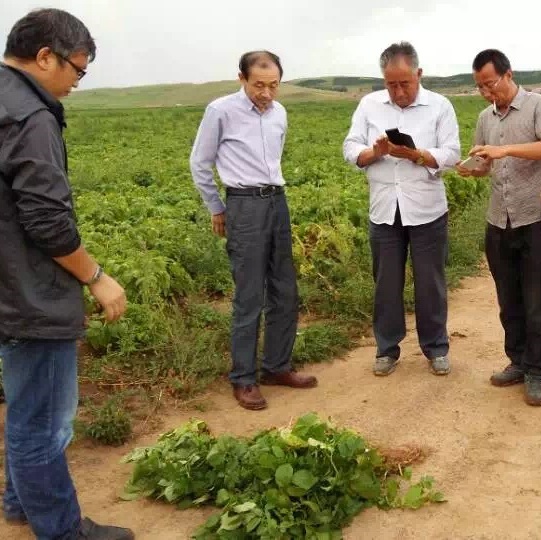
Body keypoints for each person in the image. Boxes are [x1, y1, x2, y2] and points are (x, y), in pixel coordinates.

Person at [0, 9, 134, 539]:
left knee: (24, 402)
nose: (77, 83)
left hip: (5, 284)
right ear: (45, 57)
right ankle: (61, 530)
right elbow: (47, 222)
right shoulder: (31, 116)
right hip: (31, 290)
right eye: (77, 70)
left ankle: (18, 503)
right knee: (43, 422)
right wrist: (97, 276)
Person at [190, 50, 317, 411]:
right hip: (243, 205)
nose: (266, 93)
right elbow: (200, 162)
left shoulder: (280, 113)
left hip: (277, 201)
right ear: (242, 78)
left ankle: (277, 366)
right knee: (249, 296)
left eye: (273, 85)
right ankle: (243, 379)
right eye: (258, 85)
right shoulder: (220, 111)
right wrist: (217, 206)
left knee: (285, 289)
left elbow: (273, 159)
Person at [343, 41, 460, 377]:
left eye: (404, 83)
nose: (398, 91)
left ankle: (436, 347)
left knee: (430, 283)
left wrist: (416, 155)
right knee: (386, 283)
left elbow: (451, 153)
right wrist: (375, 152)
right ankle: (387, 349)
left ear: (418, 74)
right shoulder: (368, 105)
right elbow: (351, 147)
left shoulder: (439, 105)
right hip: (383, 210)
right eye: (391, 84)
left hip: (427, 210)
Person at [457, 49, 541, 406]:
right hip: (498, 220)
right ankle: (518, 361)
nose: (486, 92)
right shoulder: (484, 118)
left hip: (534, 217)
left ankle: (538, 370)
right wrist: (472, 168)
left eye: (489, 83)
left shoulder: (536, 105)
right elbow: (485, 166)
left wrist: (505, 151)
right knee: (508, 298)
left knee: (536, 299)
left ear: (508, 75)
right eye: (479, 86)